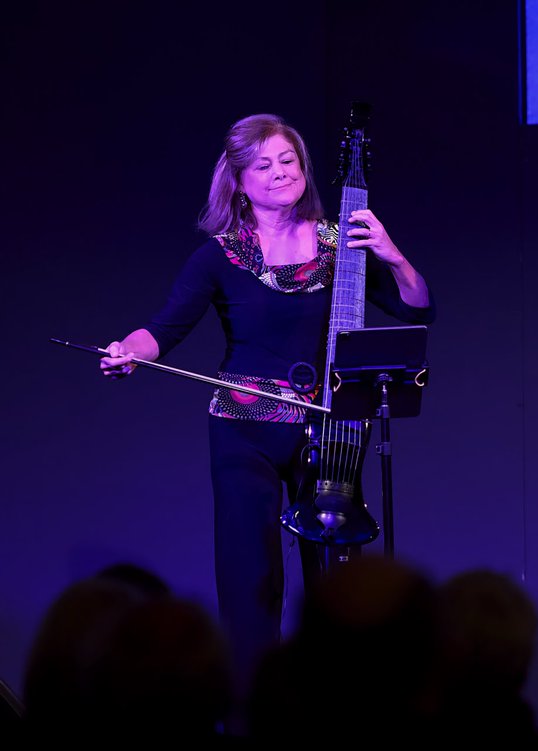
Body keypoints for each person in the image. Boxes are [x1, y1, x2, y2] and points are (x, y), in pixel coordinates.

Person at [99, 113, 435, 712]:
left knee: (337, 583)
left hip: (327, 430)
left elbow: (417, 308)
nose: (280, 173)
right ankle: (254, 715)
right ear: (238, 180)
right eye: (263, 165)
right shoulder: (218, 257)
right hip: (242, 432)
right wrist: (128, 350)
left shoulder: (341, 246)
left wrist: (391, 254)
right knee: (250, 582)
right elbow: (163, 329)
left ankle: (342, 711)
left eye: (288, 160)